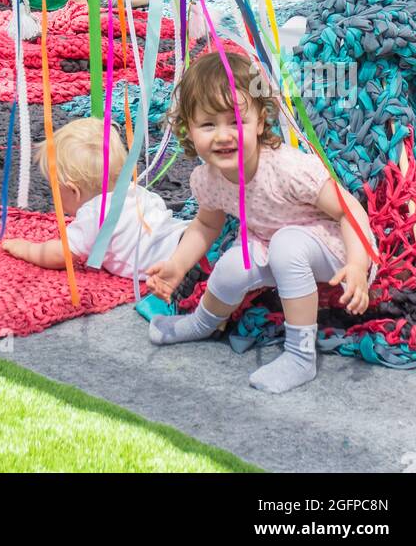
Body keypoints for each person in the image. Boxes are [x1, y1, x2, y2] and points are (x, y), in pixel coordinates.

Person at [146, 51, 375, 394]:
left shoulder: (286, 169)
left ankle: (300, 356)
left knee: (287, 245)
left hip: (336, 248)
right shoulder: (206, 178)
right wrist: (178, 265)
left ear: (260, 122)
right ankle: (201, 323)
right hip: (273, 243)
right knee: (232, 266)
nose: (223, 135)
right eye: (208, 124)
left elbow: (349, 210)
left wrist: (358, 264)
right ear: (188, 129)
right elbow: (207, 226)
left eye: (236, 121)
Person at [3, 117, 186, 276]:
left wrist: (25, 249)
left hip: (173, 263)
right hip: (184, 239)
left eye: (55, 190)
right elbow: (159, 208)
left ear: (74, 191)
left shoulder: (94, 214)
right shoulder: (134, 190)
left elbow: (60, 255)